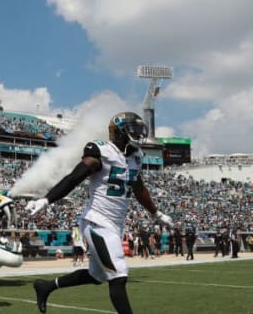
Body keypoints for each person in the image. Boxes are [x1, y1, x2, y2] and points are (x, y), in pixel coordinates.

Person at [25, 111, 173, 314]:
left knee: (97, 276)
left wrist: (157, 214)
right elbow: (74, 177)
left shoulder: (136, 157)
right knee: (118, 275)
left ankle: (46, 286)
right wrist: (47, 199)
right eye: (134, 131)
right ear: (120, 133)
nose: (138, 135)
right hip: (97, 223)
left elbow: (139, 188)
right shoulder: (101, 151)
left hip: (115, 225)